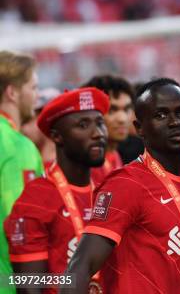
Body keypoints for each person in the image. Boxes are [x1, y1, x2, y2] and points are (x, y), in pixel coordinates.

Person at [63, 78, 180, 293]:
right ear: (140, 128)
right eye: (161, 115)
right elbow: (79, 267)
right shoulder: (126, 184)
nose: (175, 122)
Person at [4, 88, 109, 293]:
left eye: (99, 122)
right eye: (83, 125)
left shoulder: (109, 189)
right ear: (57, 137)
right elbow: (29, 287)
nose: (98, 133)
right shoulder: (36, 199)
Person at [0, 51, 43, 292]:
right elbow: (19, 227)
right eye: (33, 88)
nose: (37, 97)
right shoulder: (17, 146)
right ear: (12, 92)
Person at [82, 75, 135, 184]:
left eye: (127, 109)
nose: (122, 119)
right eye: (112, 110)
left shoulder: (114, 155)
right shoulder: (85, 165)